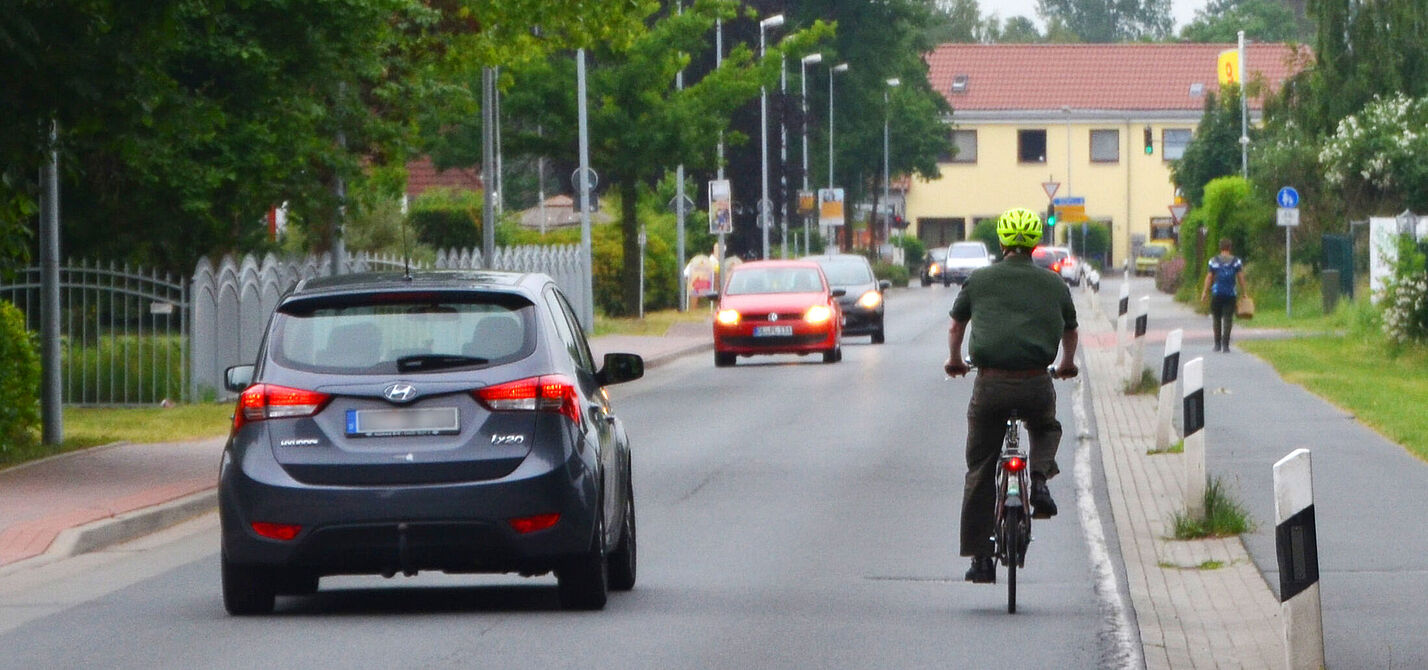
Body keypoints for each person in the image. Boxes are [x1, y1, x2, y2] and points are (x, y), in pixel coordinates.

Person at [943, 207, 1079, 584]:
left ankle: (981, 560)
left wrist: (955, 360)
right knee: (1047, 427)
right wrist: (1066, 364)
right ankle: (1037, 479)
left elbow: (957, 325)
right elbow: (1070, 330)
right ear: (1035, 244)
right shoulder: (1054, 285)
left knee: (981, 469)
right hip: (1036, 382)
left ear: (1002, 242)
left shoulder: (980, 279)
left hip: (990, 384)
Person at [1199, 238, 1248, 352]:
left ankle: (1217, 344)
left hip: (1217, 293)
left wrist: (1205, 292)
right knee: (1228, 319)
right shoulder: (1236, 261)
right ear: (1230, 248)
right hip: (1231, 294)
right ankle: (1225, 345)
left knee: (1216, 318)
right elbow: (1240, 277)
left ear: (1220, 248)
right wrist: (1244, 292)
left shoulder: (1214, 261)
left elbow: (1210, 277)